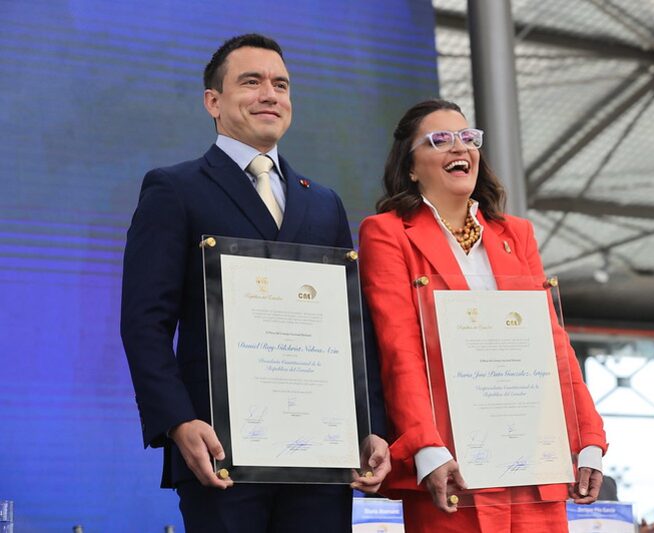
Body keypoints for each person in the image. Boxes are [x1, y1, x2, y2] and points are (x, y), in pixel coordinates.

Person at [120, 34, 390, 532]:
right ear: (213, 102)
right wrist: (179, 422)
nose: (270, 94)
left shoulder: (323, 202)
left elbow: (349, 328)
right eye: (252, 81)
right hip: (221, 454)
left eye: (281, 84)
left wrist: (369, 426)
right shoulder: (174, 188)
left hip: (322, 457)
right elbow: (144, 322)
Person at [358, 99, 608, 532]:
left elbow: (553, 345)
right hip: (452, 465)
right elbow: (399, 350)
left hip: (535, 457)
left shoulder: (517, 235)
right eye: (440, 139)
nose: (460, 147)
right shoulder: (387, 233)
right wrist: (426, 447)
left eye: (467, 138)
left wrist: (588, 437)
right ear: (411, 166)